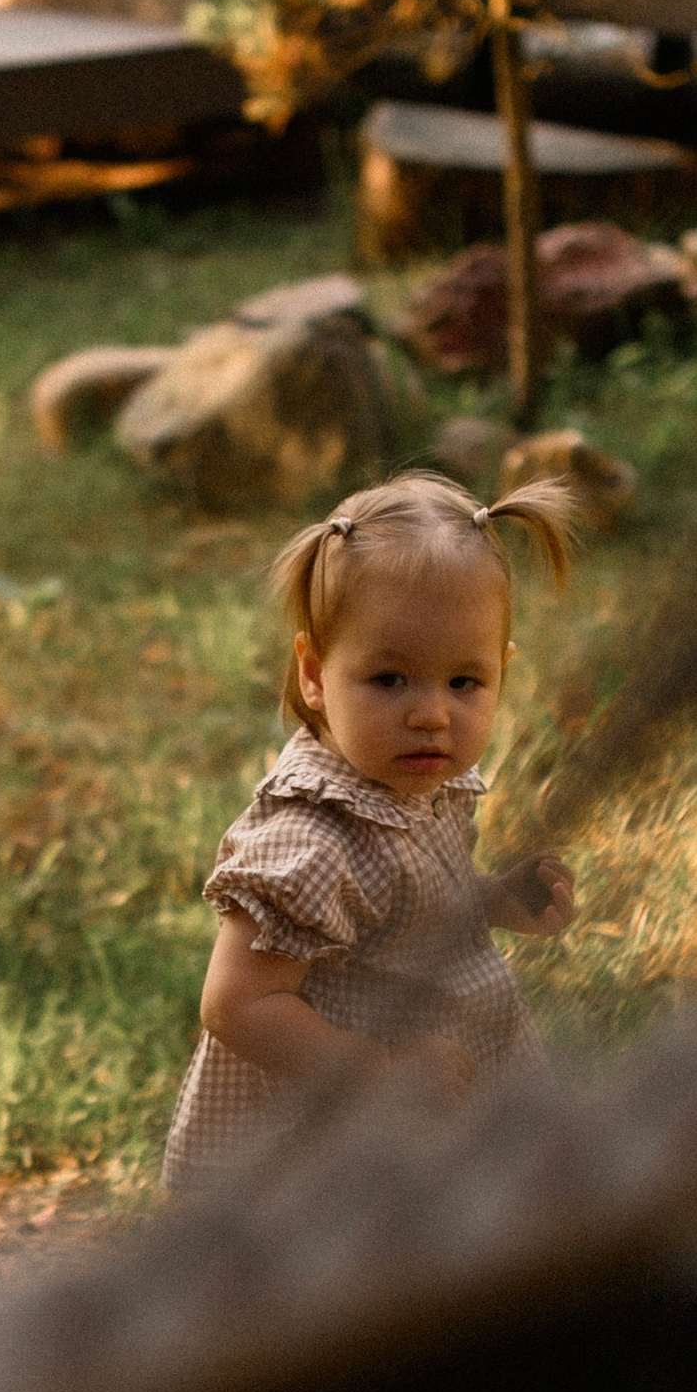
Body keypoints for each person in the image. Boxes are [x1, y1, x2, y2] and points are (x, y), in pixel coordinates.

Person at [161, 470, 580, 1196]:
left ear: (502, 674)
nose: (431, 714)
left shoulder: (420, 785)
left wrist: (491, 899)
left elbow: (407, 904)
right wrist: (375, 1075)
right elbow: (236, 1004)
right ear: (316, 674)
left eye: (464, 683)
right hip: (327, 1136)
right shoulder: (312, 838)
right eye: (390, 680)